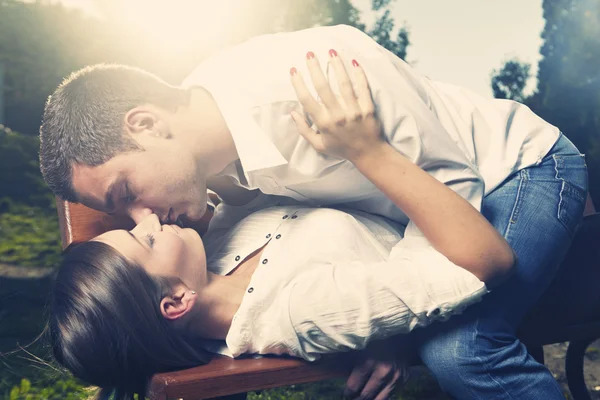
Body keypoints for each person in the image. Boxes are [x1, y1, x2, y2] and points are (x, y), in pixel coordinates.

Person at [40, 24, 587, 400]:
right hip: (420, 217)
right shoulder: (206, 171)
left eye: (126, 192)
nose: (144, 217)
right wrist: (387, 325)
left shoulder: (323, 85)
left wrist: (403, 323)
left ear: (145, 124)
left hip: (512, 169)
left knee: (462, 351)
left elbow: (457, 205)